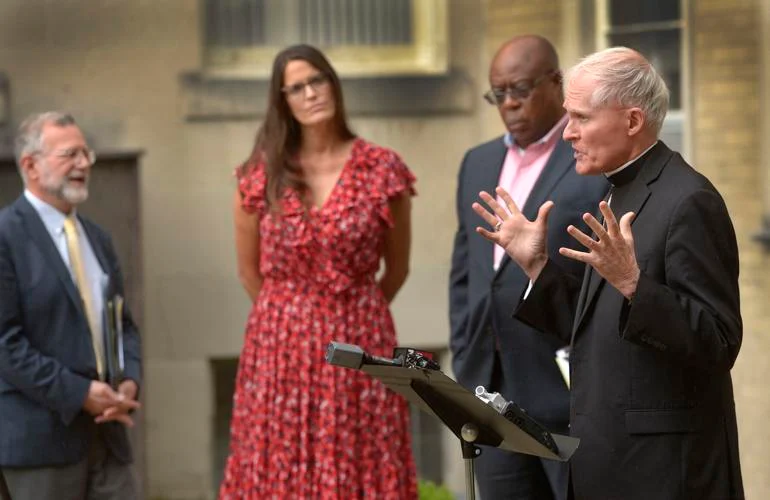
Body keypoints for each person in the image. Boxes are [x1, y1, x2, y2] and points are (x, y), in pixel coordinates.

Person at [473, 47, 744, 500]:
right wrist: (536, 265)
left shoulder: (690, 200)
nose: (568, 134)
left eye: (581, 118)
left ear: (633, 121)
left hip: (666, 475)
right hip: (608, 463)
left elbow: (719, 342)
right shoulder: (618, 190)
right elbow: (596, 334)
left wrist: (637, 287)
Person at [219, 44, 417, 499]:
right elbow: (249, 273)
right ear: (282, 100)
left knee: (364, 456)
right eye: (297, 87)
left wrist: (352, 312)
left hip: (361, 338)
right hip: (279, 347)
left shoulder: (382, 168)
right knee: (278, 464)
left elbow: (398, 268)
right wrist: (294, 317)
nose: (311, 93)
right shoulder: (259, 174)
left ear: (333, 83)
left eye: (318, 80)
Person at [449, 35, 608, 500]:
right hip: (489, 394)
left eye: (520, 88)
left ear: (556, 82)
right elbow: (467, 272)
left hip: (563, 393)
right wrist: (463, 349)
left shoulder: (588, 161)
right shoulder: (477, 163)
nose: (509, 103)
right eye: (498, 93)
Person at [0, 112, 142, 500]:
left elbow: (123, 325)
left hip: (109, 435)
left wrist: (129, 379)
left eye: (86, 154)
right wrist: (79, 393)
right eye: (70, 154)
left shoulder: (98, 238)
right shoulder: (6, 236)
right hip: (40, 446)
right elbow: (4, 344)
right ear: (31, 164)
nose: (83, 164)